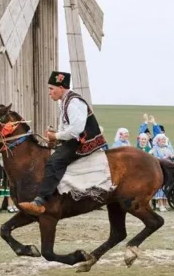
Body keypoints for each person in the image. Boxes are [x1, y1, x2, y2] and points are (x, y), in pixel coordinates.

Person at [18, 71, 107, 216]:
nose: (49, 92)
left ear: (61, 87)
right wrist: (55, 136)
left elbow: (76, 131)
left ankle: (40, 201)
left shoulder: (73, 102)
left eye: (51, 89)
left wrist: (56, 135)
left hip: (84, 142)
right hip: (75, 139)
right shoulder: (65, 102)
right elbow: (66, 128)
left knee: (55, 161)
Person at [150, 133, 174, 211]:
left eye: (164, 140)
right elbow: (155, 159)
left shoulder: (168, 148)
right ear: (158, 141)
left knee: (166, 186)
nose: (163, 141)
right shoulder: (155, 149)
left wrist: (172, 157)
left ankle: (165, 203)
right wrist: (166, 157)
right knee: (160, 186)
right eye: (162, 140)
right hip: (159, 169)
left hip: (167, 170)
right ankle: (160, 203)